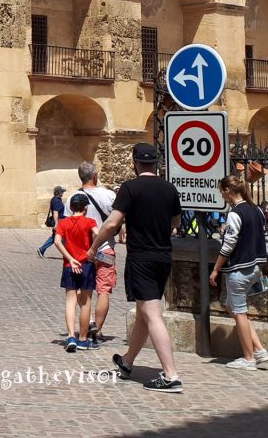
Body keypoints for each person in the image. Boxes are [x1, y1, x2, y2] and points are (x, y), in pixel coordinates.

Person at [87, 142, 183, 393]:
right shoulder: (169, 188)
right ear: (156, 163)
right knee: (143, 311)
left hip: (141, 257)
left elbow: (112, 223)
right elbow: (175, 222)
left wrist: (93, 247)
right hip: (164, 257)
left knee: (152, 314)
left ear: (135, 163)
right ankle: (127, 362)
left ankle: (171, 375)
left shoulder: (130, 188)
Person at [210, 175, 268, 370]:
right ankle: (259, 351)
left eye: (222, 191)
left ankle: (248, 358)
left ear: (227, 191)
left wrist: (216, 269)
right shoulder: (257, 210)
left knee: (239, 312)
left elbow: (229, 245)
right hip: (255, 268)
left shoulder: (235, 213)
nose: (222, 195)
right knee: (231, 307)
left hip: (239, 269)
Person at [75, 161, 117, 345]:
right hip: (105, 248)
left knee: (80, 288)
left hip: (83, 250)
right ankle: (97, 331)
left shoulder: (73, 198)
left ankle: (90, 319)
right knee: (104, 290)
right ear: (95, 176)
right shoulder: (109, 195)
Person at [55, 193, 99, 352]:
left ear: (71, 208)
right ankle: (82, 339)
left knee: (70, 302)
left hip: (69, 266)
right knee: (86, 303)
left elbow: (57, 241)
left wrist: (69, 258)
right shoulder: (89, 222)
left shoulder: (64, 223)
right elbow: (97, 233)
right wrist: (93, 250)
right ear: (85, 208)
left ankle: (71, 336)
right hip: (86, 264)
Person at [37, 186, 67, 258]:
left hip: (60, 221)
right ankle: (67, 254)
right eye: (62, 192)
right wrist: (56, 224)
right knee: (62, 238)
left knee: (54, 237)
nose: (63, 193)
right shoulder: (56, 201)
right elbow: (56, 212)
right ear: (59, 192)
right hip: (60, 222)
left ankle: (42, 249)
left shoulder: (55, 199)